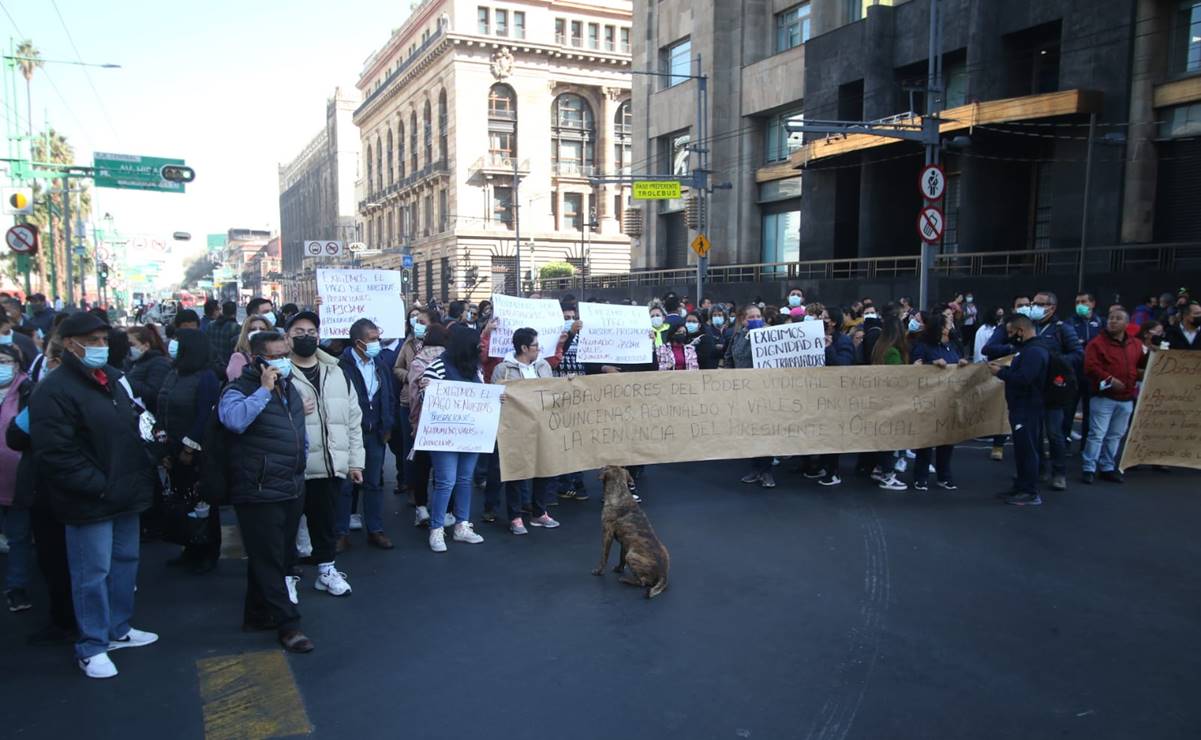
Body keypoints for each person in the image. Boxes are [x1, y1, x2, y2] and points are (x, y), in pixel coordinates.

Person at [29, 312, 159, 678]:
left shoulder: (109, 381)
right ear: (71, 344)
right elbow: (56, 453)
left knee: (124, 564)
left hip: (124, 493)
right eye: (95, 340)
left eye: (105, 340)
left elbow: (130, 428)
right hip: (91, 500)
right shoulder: (54, 389)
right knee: (92, 573)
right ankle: (91, 645)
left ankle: (119, 629)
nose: (102, 347)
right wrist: (99, 486)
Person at [217, 329, 312, 653]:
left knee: (278, 555)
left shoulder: (289, 388)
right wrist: (262, 390)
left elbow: (298, 430)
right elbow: (234, 421)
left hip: (290, 484)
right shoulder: (237, 389)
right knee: (270, 560)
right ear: (257, 359)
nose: (282, 362)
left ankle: (256, 614)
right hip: (258, 487)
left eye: (285, 355)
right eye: (274, 357)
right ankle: (289, 624)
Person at [6, 335, 77, 643]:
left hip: (49, 489)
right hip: (80, 491)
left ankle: (64, 621)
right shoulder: (100, 387)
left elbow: (16, 436)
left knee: (55, 559)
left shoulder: (42, 393)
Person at [287, 311, 363, 597]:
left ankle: (326, 571)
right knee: (287, 528)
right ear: (287, 337)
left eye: (310, 332)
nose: (305, 336)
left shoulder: (337, 371)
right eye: (298, 331)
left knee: (325, 523)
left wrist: (355, 462)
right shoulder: (279, 373)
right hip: (294, 466)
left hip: (330, 464)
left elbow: (352, 419)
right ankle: (288, 577)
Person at [155, 329, 222, 573]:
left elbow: (206, 414)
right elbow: (161, 407)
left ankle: (207, 550)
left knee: (202, 501)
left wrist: (189, 447)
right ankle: (189, 546)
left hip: (197, 452)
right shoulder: (173, 373)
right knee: (182, 500)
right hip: (172, 447)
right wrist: (161, 440)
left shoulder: (207, 377)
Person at [419, 326, 487, 552]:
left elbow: (483, 396)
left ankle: (461, 525)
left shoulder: (475, 370)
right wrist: (425, 390)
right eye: (476, 345)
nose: (479, 348)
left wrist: (497, 400)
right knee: (446, 481)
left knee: (465, 479)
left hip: (470, 435)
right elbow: (423, 397)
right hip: (445, 437)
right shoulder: (437, 366)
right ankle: (437, 529)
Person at [490, 328, 560, 535]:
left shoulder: (543, 366)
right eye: (536, 345)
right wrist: (497, 397)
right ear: (524, 348)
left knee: (543, 468)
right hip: (516, 428)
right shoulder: (503, 370)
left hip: (542, 425)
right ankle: (515, 516)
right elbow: (492, 396)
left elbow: (551, 390)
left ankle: (539, 512)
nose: (539, 349)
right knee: (516, 471)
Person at [333, 319, 395, 550]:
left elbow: (387, 393)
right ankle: (341, 532)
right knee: (346, 485)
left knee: (374, 483)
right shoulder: (341, 366)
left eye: (377, 338)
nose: (376, 343)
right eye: (372, 339)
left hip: (375, 433)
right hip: (350, 434)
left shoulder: (379, 363)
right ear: (358, 342)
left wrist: (386, 424)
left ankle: (375, 529)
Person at [989, 315, 1050, 506]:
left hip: (1028, 407)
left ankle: (1029, 491)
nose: (1009, 336)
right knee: (1022, 449)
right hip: (1022, 406)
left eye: (1010, 332)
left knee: (1028, 450)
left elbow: (1024, 378)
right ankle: (1021, 486)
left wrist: (1001, 373)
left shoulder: (1034, 352)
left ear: (1021, 331)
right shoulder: (1029, 349)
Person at [1081, 307, 1145, 484]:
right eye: (1111, 318)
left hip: (1126, 397)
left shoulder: (1136, 344)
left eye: (1118, 318)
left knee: (1116, 435)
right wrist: (1109, 379)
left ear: (1126, 323)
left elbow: (1140, 365)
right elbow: (1090, 367)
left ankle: (1107, 466)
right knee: (1097, 434)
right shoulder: (1097, 343)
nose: (1113, 321)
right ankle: (1089, 468)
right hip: (1103, 396)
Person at [1029, 291, 1084, 491]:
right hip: (1033, 388)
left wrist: (1054, 363)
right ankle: (1040, 469)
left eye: (1040, 304)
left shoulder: (1063, 330)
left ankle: (1059, 472)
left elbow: (1078, 354)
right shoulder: (1030, 326)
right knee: (1034, 433)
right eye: (1034, 303)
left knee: (1055, 433)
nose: (1035, 306)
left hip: (1054, 389)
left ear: (1052, 307)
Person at [910, 311, 969, 491]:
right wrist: (931, 366)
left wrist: (962, 365)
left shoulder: (953, 346)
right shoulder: (923, 346)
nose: (951, 324)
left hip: (949, 400)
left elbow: (958, 364)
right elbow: (914, 369)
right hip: (928, 400)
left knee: (947, 439)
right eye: (948, 322)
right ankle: (921, 476)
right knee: (926, 440)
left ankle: (944, 476)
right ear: (941, 328)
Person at [806, 307, 856, 487]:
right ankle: (819, 466)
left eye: (824, 317)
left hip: (834, 395)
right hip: (816, 393)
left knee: (832, 433)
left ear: (833, 321)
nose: (820, 319)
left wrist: (828, 349)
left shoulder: (842, 341)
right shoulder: (815, 336)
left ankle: (833, 471)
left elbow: (843, 366)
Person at [408, 323, 451, 527]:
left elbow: (414, 397)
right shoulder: (449, 361)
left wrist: (415, 421)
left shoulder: (418, 361)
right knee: (443, 470)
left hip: (424, 423)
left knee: (422, 466)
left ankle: (421, 508)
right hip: (446, 424)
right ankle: (446, 511)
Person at [730, 305, 777, 488]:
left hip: (765, 391)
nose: (755, 319)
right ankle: (755, 469)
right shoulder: (737, 336)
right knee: (751, 431)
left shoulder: (769, 336)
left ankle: (766, 471)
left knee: (765, 430)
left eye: (758, 316)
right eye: (751, 317)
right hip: (744, 391)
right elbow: (729, 357)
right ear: (743, 320)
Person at [1, 345, 34, 612]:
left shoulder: (28, 390)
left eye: (4, 361)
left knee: (18, 535)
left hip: (18, 477)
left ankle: (17, 586)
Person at [865, 316, 909, 491]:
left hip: (880, 400)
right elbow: (896, 378)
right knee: (890, 440)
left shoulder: (880, 348)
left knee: (883, 439)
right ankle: (888, 475)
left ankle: (880, 469)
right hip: (891, 401)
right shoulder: (893, 352)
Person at [392, 308, 430, 501]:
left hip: (432, 404)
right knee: (410, 447)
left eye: (421, 319)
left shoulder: (438, 346)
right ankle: (411, 487)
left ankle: (425, 489)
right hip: (408, 401)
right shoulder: (407, 344)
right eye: (414, 318)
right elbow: (397, 368)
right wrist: (410, 377)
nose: (417, 322)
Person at [1069, 293, 1104, 448]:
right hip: (1074, 373)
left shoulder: (1101, 322)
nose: (1080, 305)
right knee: (1068, 410)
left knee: (1090, 413)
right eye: (1077, 302)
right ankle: (1064, 444)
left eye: (1083, 301)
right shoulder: (1069, 323)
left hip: (1093, 375)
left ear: (1092, 303)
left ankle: (1086, 445)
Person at [125, 325, 173, 413]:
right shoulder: (134, 363)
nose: (128, 348)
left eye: (131, 344)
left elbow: (154, 393)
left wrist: (126, 381)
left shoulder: (159, 363)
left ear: (146, 345)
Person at [226, 314, 274, 382]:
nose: (258, 332)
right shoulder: (238, 358)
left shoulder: (274, 356)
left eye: (262, 329)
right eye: (253, 329)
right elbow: (238, 386)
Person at [207, 301, 241, 373]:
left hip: (213, 366)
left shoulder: (210, 325)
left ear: (222, 311)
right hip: (228, 367)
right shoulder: (236, 327)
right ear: (235, 312)